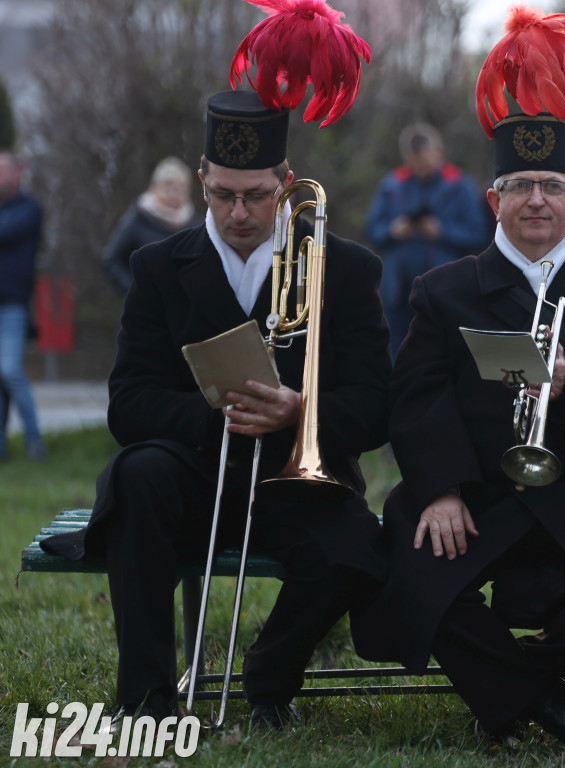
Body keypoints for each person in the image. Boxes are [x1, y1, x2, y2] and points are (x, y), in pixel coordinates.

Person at [351, 6, 565, 749]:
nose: (536, 199)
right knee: (415, 560)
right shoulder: (445, 287)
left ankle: (512, 692)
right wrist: (437, 487)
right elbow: (415, 394)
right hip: (478, 487)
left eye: (552, 185)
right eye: (521, 184)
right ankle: (547, 698)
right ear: (492, 199)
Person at [40, 88, 391, 730]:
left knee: (354, 550)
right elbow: (129, 403)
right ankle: (145, 699)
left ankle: (269, 678)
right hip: (196, 474)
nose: (237, 212)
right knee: (135, 475)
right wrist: (216, 415)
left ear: (286, 184)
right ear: (200, 178)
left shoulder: (345, 268)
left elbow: (376, 405)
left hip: (299, 482)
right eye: (221, 193)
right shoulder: (155, 268)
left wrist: (298, 411)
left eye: (255, 195)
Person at [365, 123, 491, 357]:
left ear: (439, 153)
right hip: (399, 293)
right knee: (399, 356)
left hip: (446, 293)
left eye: (424, 159)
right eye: (415, 161)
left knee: (443, 356)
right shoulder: (392, 186)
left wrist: (442, 232)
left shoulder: (461, 187)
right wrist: (393, 231)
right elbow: (372, 231)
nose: (420, 166)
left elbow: (479, 236)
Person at [0, 150, 46, 460]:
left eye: (4, 169)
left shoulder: (29, 210)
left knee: (9, 369)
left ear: (18, 174)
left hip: (12, 304)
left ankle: (34, 440)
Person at [102, 156, 201, 295]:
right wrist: (136, 291)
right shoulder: (138, 218)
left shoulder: (195, 224)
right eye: (168, 186)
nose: (174, 192)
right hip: (147, 310)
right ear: (154, 187)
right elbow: (112, 260)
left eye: (180, 187)